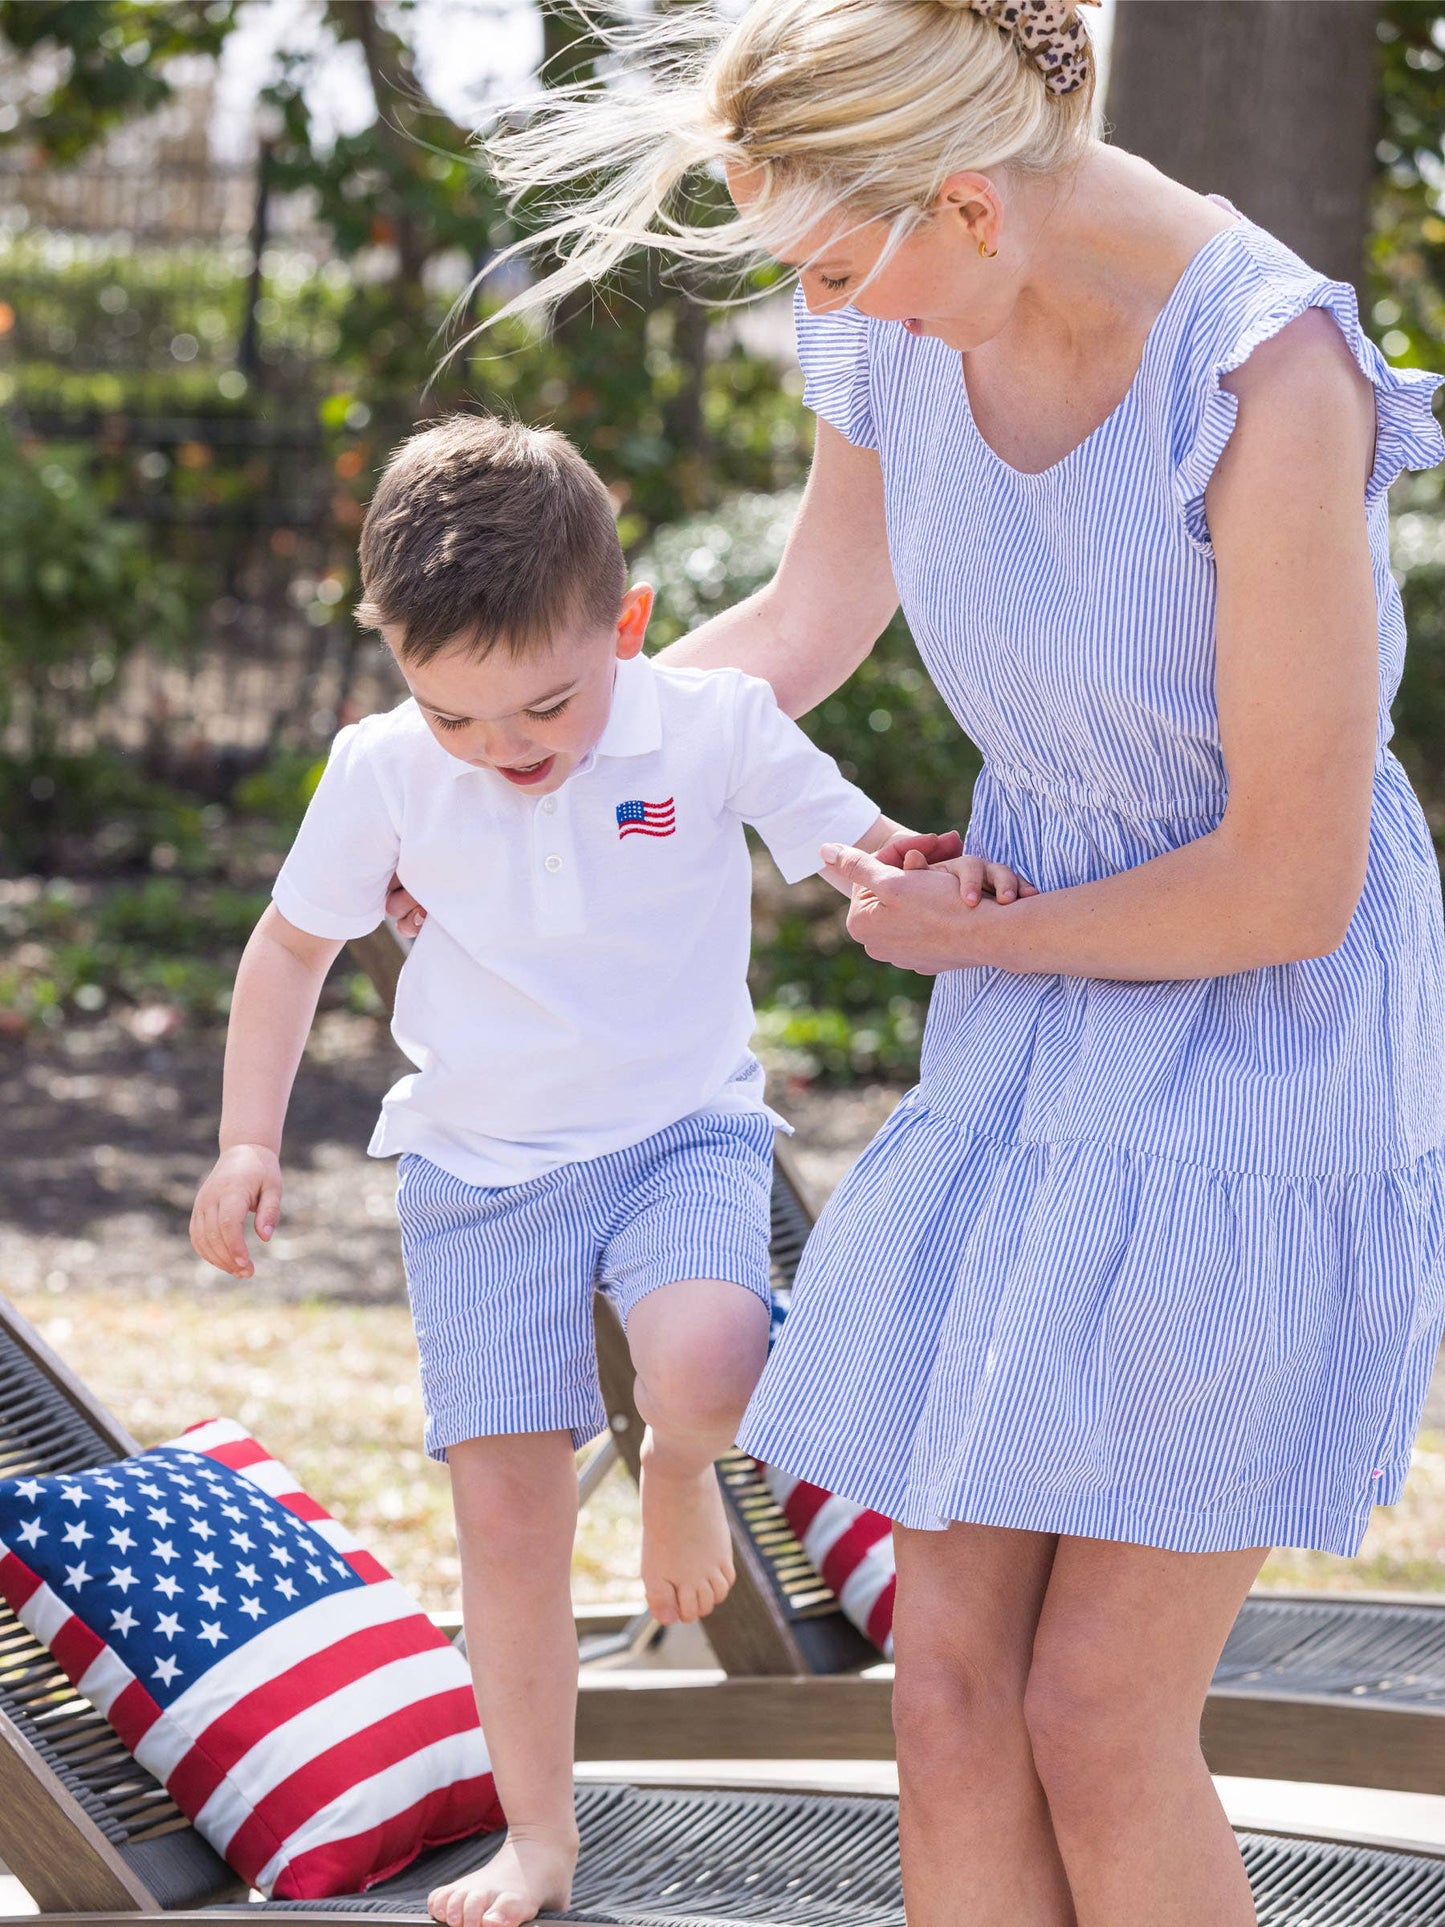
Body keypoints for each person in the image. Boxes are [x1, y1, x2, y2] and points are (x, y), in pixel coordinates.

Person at [420, 3, 1445, 1922]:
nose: (830, 318)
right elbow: (810, 617)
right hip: (1035, 1007)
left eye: (831, 263)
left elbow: (1290, 888)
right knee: (953, 1692)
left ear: (965, 205)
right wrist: (505, 784)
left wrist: (958, 933)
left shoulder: (1267, 373)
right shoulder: (891, 301)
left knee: (1095, 1712)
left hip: (1260, 1041)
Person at [189, 414, 1017, 1927]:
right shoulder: (381, 769)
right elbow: (293, 943)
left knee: (702, 1365)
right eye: (456, 715)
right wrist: (249, 1137)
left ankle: (682, 1468)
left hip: (673, 1132)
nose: (501, 749)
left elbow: (850, 841)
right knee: (506, 1525)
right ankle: (541, 1841)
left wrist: (915, 871)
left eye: (545, 706)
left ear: (624, 630)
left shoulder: (703, 724)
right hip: (476, 1177)